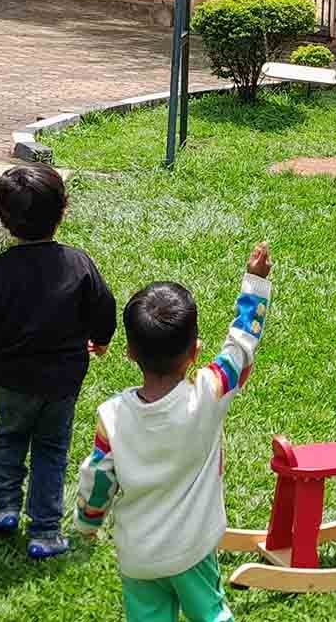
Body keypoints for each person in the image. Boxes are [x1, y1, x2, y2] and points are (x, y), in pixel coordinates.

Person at [74, 243, 272, 622]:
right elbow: (242, 345)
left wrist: (88, 522)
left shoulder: (112, 418)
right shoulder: (209, 393)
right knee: (211, 615)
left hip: (139, 558)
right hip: (192, 550)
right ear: (195, 350)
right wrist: (255, 284)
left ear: (130, 351)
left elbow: (98, 477)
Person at [0, 164, 117, 559]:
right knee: (51, 447)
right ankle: (45, 531)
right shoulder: (78, 263)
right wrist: (101, 339)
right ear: (63, 211)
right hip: (62, 382)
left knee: (8, 437)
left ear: (5, 221)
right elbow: (103, 306)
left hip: (10, 381)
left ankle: (5, 507)